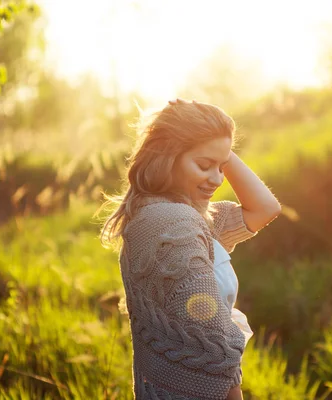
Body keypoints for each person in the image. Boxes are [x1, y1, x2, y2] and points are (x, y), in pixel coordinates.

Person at [100, 99, 281, 400]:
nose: (218, 179)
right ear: (168, 158)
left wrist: (214, 144)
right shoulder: (174, 223)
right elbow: (212, 347)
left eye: (222, 167)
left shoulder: (190, 215)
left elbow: (265, 209)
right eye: (204, 165)